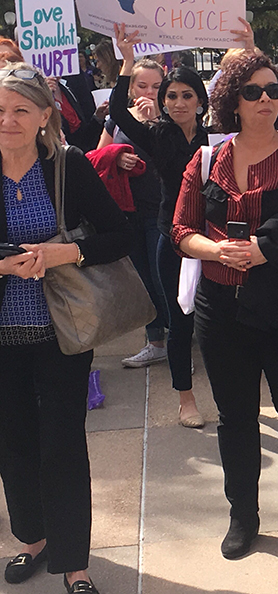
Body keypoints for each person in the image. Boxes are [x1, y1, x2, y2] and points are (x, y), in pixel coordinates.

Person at [172, 52, 278, 559]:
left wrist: (265, 250)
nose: (265, 99)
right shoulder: (206, 161)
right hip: (220, 305)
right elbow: (182, 230)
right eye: (253, 92)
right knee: (235, 417)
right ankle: (242, 516)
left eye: (273, 91)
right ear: (232, 101)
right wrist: (216, 249)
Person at [0, 63, 133, 594]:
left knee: (61, 444)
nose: (6, 120)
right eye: (0, 110)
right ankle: (32, 537)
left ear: (43, 118)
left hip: (63, 332)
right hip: (2, 337)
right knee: (13, 443)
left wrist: (66, 252)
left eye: (19, 111)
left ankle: (75, 563)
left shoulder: (69, 167)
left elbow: (120, 234)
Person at [110, 26, 213, 428]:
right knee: (179, 319)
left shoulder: (216, 137)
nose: (179, 102)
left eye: (187, 95)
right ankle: (185, 398)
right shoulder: (157, 136)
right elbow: (119, 114)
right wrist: (127, 61)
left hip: (215, 236)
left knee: (221, 318)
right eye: (172, 95)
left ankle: (231, 391)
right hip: (172, 236)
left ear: (201, 100)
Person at [98, 54, 170, 373]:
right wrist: (116, 158)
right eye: (142, 85)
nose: (148, 93)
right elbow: (97, 156)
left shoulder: (170, 118)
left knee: (162, 277)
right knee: (143, 280)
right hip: (129, 211)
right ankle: (155, 342)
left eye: (156, 86)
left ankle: (180, 341)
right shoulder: (117, 119)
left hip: (161, 210)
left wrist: (154, 123)